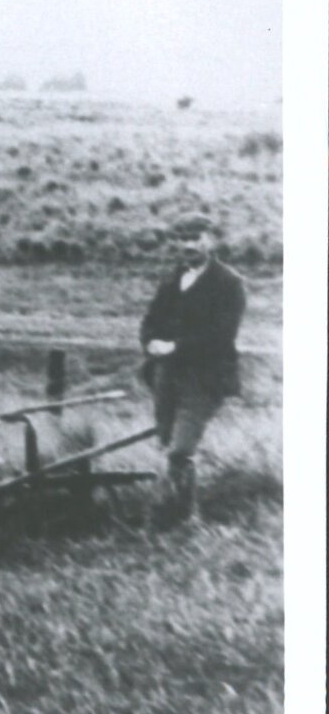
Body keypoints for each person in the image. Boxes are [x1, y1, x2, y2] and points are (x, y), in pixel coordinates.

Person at [138, 214, 246, 525]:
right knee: (167, 443)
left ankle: (164, 516)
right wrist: (151, 342)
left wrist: (175, 347)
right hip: (165, 375)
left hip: (204, 378)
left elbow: (222, 335)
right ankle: (184, 516)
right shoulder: (172, 279)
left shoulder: (228, 283)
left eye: (196, 238)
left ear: (211, 240)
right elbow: (150, 320)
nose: (189, 245)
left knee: (181, 449)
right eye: (183, 239)